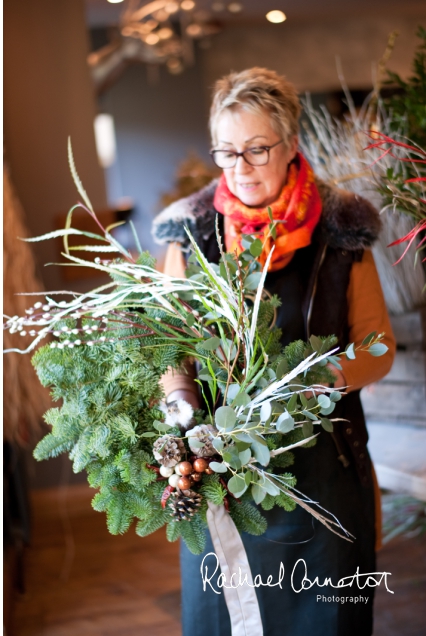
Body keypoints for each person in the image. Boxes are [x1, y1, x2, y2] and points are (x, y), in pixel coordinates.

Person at [151, 67, 395, 636]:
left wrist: (308, 386)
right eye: (226, 151)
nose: (240, 167)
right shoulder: (191, 235)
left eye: (257, 150)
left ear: (290, 146)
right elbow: (172, 347)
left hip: (325, 468)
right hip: (223, 471)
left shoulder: (342, 229)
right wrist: (181, 406)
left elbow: (377, 347)